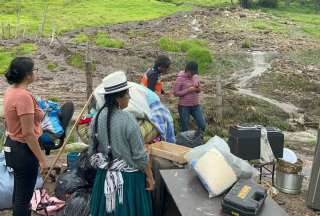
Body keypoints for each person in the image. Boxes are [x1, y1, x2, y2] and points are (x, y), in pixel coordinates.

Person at [89, 71, 154, 216]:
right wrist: (150, 176)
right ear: (118, 98)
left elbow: (92, 150)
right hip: (128, 182)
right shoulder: (128, 119)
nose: (129, 98)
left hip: (104, 177)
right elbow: (139, 156)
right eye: (127, 94)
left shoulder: (96, 117)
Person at [3, 57, 47, 216]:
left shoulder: (11, 91)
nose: (36, 73)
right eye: (34, 70)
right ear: (27, 75)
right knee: (24, 197)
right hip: (24, 151)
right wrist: (42, 158)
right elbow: (28, 133)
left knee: (20, 192)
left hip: (12, 146)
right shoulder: (23, 96)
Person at [173, 61, 206, 132]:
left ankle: (197, 138)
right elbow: (175, 93)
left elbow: (199, 90)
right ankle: (186, 142)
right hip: (184, 107)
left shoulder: (195, 76)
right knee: (185, 128)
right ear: (187, 70)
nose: (192, 75)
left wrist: (197, 89)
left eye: (194, 73)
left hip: (196, 105)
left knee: (202, 125)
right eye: (191, 73)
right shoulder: (180, 78)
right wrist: (188, 90)